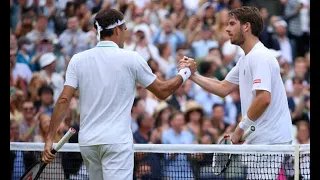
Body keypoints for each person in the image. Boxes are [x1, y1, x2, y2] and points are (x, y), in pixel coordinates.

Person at [41, 8, 197, 180]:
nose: (125, 33)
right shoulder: (132, 58)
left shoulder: (77, 60)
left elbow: (64, 99)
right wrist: (185, 73)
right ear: (116, 30)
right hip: (116, 142)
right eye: (124, 29)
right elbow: (162, 91)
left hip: (88, 143)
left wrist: (49, 139)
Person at [180, 6, 292, 180]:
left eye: (232, 24)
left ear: (246, 27)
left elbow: (263, 98)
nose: (227, 28)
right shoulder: (245, 59)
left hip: (271, 143)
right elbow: (223, 87)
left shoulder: (260, 57)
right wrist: (192, 76)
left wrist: (239, 130)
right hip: (260, 141)